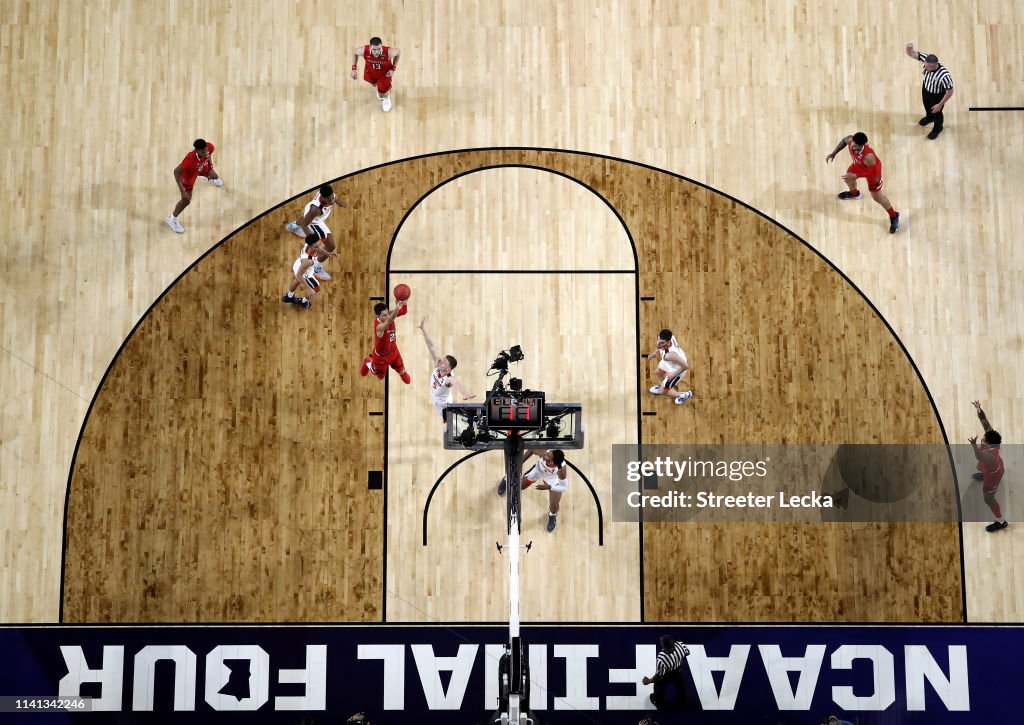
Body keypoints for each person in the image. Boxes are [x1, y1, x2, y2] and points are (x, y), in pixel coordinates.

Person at [826, 132, 901, 234]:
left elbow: (872, 172)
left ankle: (894, 215)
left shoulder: (869, 157)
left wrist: (856, 175)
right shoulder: (850, 140)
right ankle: (855, 194)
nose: (853, 145)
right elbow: (844, 141)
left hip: (873, 173)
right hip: (858, 165)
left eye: (856, 145)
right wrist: (833, 153)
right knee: (848, 179)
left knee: (877, 197)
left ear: (862, 145)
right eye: (853, 142)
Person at [417, 318, 476, 422]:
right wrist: (423, 329)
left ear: (448, 369)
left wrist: (465, 394)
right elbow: (431, 346)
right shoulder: (438, 364)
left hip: (444, 405)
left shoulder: (449, 379)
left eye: (444, 363)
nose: (441, 362)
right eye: (442, 360)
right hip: (437, 399)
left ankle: (468, 422)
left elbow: (456, 383)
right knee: (451, 424)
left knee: (450, 425)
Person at [497, 449, 569, 533]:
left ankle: (552, 515)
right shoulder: (543, 453)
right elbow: (531, 449)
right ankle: (507, 478)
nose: (545, 453)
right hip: (538, 471)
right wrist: (518, 464)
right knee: (520, 486)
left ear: (552, 462)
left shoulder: (561, 470)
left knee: (554, 505)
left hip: (553, 479)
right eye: (547, 453)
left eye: (548, 455)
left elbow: (564, 487)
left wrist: (549, 487)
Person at [285, 184, 347, 281]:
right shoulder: (316, 209)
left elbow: (333, 198)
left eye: (332, 198)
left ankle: (293, 226)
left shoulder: (329, 194)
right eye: (329, 200)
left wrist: (338, 202)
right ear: (323, 198)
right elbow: (305, 224)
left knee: (306, 218)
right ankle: (316, 267)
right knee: (331, 246)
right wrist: (312, 239)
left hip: (313, 215)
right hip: (315, 222)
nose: (331, 201)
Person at [166, 139, 223, 234]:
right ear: (197, 151)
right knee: (186, 201)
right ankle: (171, 219)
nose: (207, 152)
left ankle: (209, 177)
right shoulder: (189, 160)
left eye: (207, 150)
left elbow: (208, 157)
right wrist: (182, 191)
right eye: (203, 152)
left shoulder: (209, 147)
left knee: (215, 176)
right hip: (189, 176)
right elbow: (176, 172)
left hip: (200, 168)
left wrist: (210, 168)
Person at [970, 400, 1007, 532]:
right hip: (995, 467)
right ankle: (983, 474)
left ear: (990, 445)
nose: (983, 438)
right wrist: (979, 410)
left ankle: (1001, 521)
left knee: (988, 499)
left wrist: (974, 445)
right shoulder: (992, 436)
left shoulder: (990, 456)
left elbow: (979, 456)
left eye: (984, 440)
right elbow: (984, 419)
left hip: (993, 476)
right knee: (979, 467)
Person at [905, 43, 954, 139]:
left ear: (933, 66)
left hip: (937, 96)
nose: (924, 68)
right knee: (927, 107)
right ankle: (929, 117)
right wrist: (908, 49)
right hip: (926, 89)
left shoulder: (945, 76)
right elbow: (912, 54)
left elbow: (950, 91)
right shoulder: (926, 59)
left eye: (927, 67)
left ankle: (938, 127)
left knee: (937, 113)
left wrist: (940, 104)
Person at [360, 299, 412, 384]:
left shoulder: (389, 315)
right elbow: (390, 320)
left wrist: (404, 303)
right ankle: (368, 361)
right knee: (380, 377)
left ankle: (402, 372)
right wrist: (397, 307)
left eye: (388, 313)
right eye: (384, 315)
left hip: (393, 352)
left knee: (404, 375)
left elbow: (403, 311)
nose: (387, 316)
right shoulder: (379, 328)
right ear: (378, 316)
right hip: (381, 358)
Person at [281, 233, 336, 310]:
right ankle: (303, 302)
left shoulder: (308, 244)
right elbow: (299, 275)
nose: (319, 248)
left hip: (298, 264)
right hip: (305, 272)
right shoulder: (308, 261)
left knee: (297, 280)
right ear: (311, 246)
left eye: (319, 244)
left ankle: (289, 296)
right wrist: (310, 289)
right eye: (316, 247)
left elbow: (319, 249)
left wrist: (327, 253)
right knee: (316, 289)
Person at [351, 37, 401, 113]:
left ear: (381, 47)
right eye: (374, 49)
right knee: (374, 84)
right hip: (370, 72)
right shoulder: (364, 50)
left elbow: (398, 52)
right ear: (370, 47)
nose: (377, 52)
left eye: (379, 49)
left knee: (382, 93)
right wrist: (354, 69)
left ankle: (387, 97)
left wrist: (393, 68)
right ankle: (380, 88)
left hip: (385, 75)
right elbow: (354, 53)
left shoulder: (389, 52)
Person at [641, 635, 690, 711]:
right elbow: (687, 653)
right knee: (681, 686)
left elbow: (658, 676)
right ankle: (685, 702)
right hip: (678, 670)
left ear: (664, 646)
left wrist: (648, 681)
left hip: (668, 674)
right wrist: (677, 658)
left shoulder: (662, 658)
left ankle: (657, 701)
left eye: (662, 641)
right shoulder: (680, 644)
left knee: (658, 686)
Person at [645, 329, 693, 405]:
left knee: (662, 392)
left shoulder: (670, 355)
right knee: (657, 372)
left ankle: (684, 395)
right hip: (669, 362)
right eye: (658, 340)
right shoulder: (669, 338)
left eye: (661, 343)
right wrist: (654, 353)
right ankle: (664, 385)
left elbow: (686, 366)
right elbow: (660, 347)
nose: (658, 343)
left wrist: (673, 374)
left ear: (668, 342)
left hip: (677, 369)